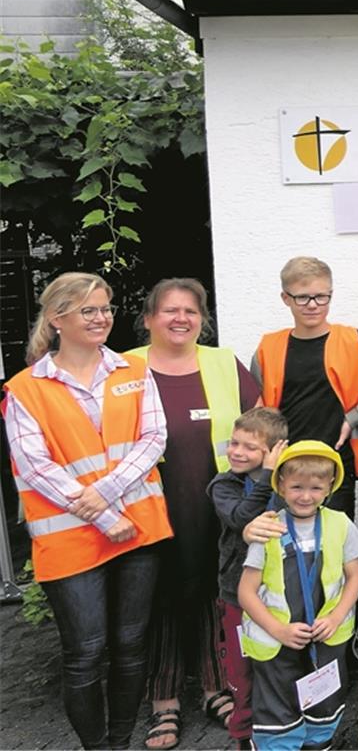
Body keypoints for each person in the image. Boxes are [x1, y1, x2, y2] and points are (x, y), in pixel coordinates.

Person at [4, 272, 173, 749]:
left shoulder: (133, 372)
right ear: (58, 319)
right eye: (89, 311)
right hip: (72, 538)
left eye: (106, 309)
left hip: (136, 529)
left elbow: (153, 438)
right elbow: (35, 469)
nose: (102, 318)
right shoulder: (25, 389)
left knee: (130, 646)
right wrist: (102, 513)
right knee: (84, 653)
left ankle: (119, 742)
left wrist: (108, 492)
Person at [131, 277, 260, 748]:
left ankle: (214, 687)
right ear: (149, 319)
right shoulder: (124, 367)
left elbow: (259, 423)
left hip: (217, 506)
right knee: (160, 598)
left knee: (213, 590)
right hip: (149, 507)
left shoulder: (224, 363)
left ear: (202, 320)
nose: (181, 318)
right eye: (169, 310)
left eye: (191, 310)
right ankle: (163, 701)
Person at [237, 441, 358, 751]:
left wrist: (336, 616)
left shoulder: (340, 524)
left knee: (323, 704)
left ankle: (318, 744)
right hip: (276, 641)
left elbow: (355, 576)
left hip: (325, 637)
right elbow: (246, 591)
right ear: (280, 484)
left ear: (329, 487)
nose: (305, 496)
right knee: (277, 709)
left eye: (315, 487)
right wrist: (278, 629)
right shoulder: (268, 529)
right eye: (296, 486)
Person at [252, 256, 358, 516]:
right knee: (287, 547)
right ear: (285, 298)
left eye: (321, 297)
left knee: (336, 546)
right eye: (302, 297)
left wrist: (354, 418)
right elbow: (255, 412)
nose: (313, 305)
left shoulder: (357, 343)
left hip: (336, 467)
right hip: (285, 468)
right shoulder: (268, 349)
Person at [208, 407, 288, 750]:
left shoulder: (286, 483)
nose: (237, 452)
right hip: (235, 595)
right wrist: (268, 476)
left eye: (249, 447)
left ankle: (282, 730)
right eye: (234, 443)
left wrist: (277, 477)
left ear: (273, 450)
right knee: (242, 670)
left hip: (279, 592)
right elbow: (241, 517)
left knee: (278, 665)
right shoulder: (222, 484)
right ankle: (244, 736)